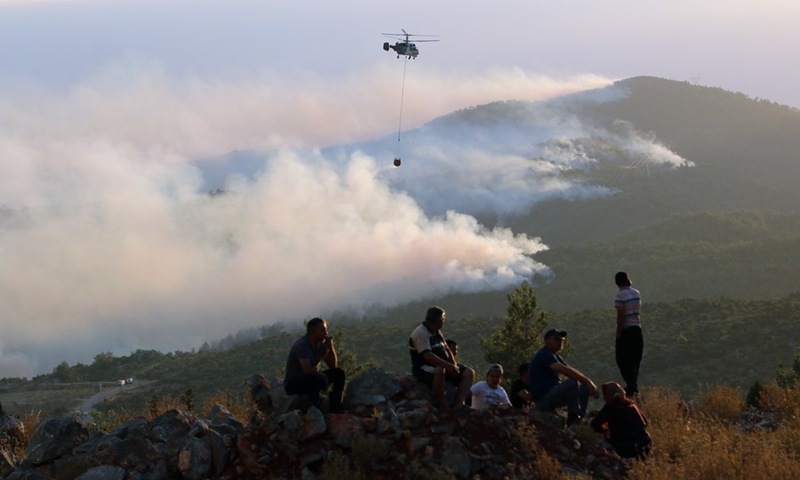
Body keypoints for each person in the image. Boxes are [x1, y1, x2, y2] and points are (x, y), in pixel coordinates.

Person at [409, 306, 474, 412]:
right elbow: (427, 356)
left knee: (468, 372)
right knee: (439, 370)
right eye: (443, 320)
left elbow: (447, 349)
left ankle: (459, 403)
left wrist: (454, 365)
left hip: (444, 364)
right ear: (438, 321)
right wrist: (448, 366)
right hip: (424, 368)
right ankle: (443, 403)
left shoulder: (436, 332)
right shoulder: (421, 333)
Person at [529, 328, 599, 425]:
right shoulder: (543, 354)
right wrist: (588, 381)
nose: (560, 341)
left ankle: (577, 421)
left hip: (553, 394)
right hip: (543, 399)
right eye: (557, 339)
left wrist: (588, 384)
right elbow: (564, 370)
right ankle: (572, 416)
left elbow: (569, 369)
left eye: (562, 339)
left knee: (584, 388)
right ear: (547, 340)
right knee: (572, 383)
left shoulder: (555, 356)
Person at [284, 317, 345, 413]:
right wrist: (323, 376)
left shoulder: (320, 346)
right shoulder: (302, 345)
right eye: (323, 330)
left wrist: (330, 347)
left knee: (339, 373)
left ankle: (336, 407)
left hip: (309, 379)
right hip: (293, 383)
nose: (326, 333)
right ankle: (315, 409)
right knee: (315, 378)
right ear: (313, 331)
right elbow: (306, 369)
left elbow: (332, 366)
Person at [590, 382, 652, 459]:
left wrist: (604, 430)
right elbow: (645, 423)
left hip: (626, 448)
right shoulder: (631, 404)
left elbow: (594, 424)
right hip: (646, 442)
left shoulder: (610, 407)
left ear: (609, 395)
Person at [615, 271, 643, 397]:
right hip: (637, 329)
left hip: (626, 331)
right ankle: (633, 387)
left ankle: (632, 388)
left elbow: (621, 316)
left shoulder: (620, 296)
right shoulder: (636, 293)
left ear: (616, 283)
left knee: (622, 360)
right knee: (635, 360)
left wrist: (618, 333)